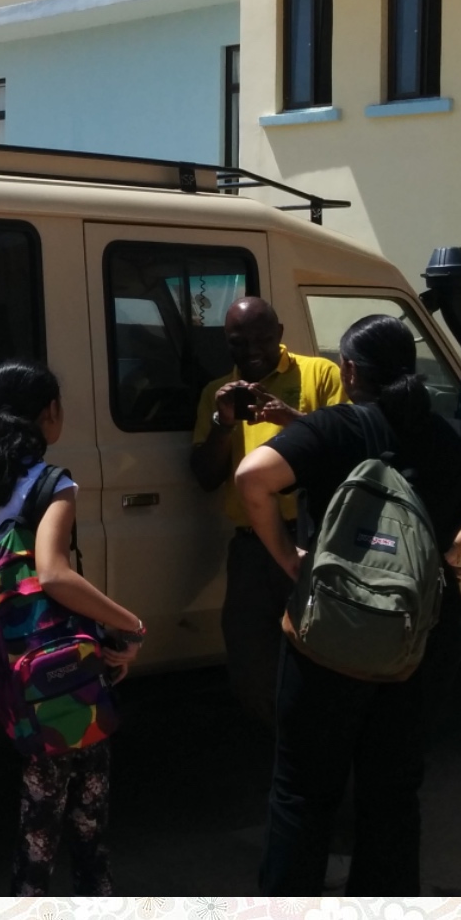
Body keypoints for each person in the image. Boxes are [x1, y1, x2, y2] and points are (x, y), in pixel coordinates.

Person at [236, 313, 461, 892]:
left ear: (350, 370)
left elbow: (251, 476)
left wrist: (288, 556)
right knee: (393, 788)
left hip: (329, 633)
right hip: (424, 633)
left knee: (302, 788)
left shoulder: (334, 429)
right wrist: (455, 547)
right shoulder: (456, 440)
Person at [0, 361, 148, 894]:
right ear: (50, 413)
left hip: (3, 659)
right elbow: (54, 574)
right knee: (82, 803)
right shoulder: (52, 483)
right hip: (60, 667)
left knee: (41, 795)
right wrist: (130, 625)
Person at [191, 296, 345, 708]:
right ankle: (276, 744)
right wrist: (224, 423)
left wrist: (292, 419)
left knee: (322, 650)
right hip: (252, 548)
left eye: (261, 339)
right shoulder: (215, 393)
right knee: (250, 656)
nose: (251, 350)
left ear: (279, 335)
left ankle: (320, 744)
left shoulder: (320, 373)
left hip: (312, 538)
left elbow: (348, 448)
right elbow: (205, 477)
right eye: (239, 342)